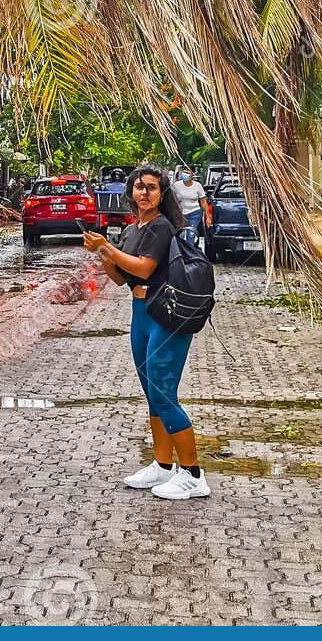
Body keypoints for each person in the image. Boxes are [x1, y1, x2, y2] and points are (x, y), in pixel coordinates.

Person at [81, 165, 209, 501]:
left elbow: (144, 267)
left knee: (164, 393)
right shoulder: (134, 229)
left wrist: (107, 248)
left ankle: (193, 475)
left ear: (162, 194)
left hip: (164, 315)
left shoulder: (162, 226)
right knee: (153, 393)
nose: (144, 193)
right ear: (130, 192)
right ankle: (163, 465)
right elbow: (122, 277)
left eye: (152, 187)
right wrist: (103, 251)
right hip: (141, 314)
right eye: (139, 187)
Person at [172, 166, 208, 244]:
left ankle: (190, 251)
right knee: (180, 234)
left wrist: (207, 217)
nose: (185, 174)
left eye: (188, 173)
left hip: (194, 213)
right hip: (181, 214)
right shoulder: (176, 186)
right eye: (184, 173)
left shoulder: (197, 186)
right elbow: (172, 200)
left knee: (191, 233)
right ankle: (181, 250)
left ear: (192, 175)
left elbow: (203, 201)